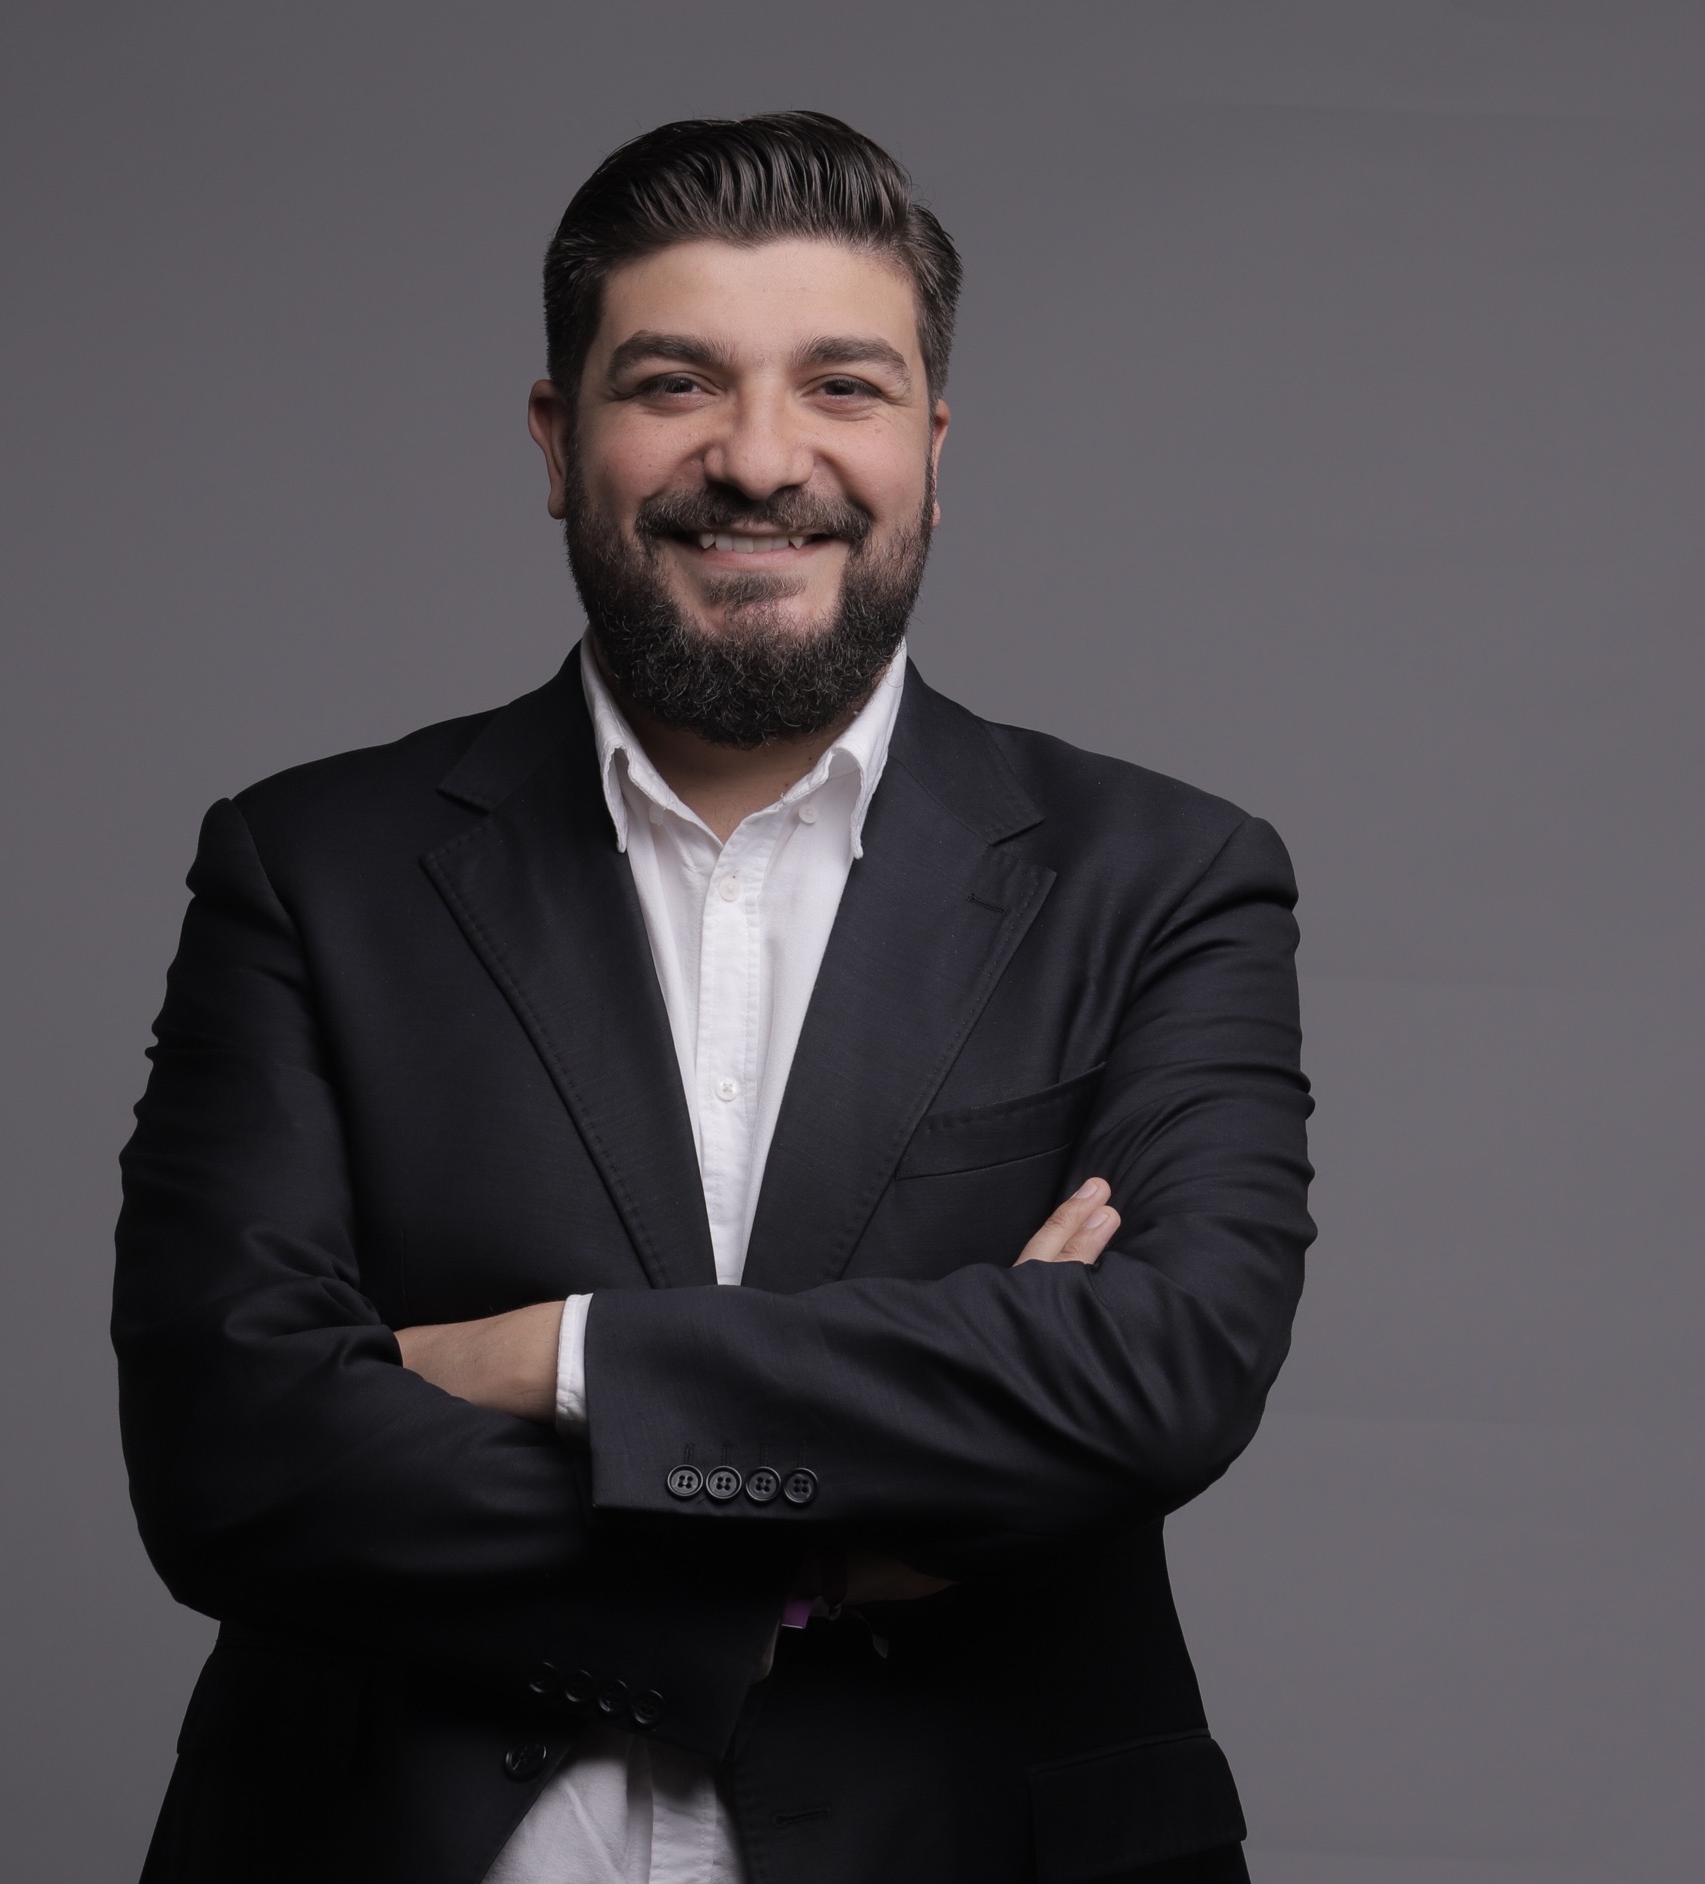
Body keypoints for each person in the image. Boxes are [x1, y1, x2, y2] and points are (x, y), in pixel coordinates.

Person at [113, 111, 1313, 1884]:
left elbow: (1163, 1371)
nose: (759, 459)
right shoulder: (309, 867)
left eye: (842, 386)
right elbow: (230, 1455)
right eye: (675, 384)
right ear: (557, 439)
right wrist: (812, 1560)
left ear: (930, 444)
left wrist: (552, 1359)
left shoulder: (1166, 878)